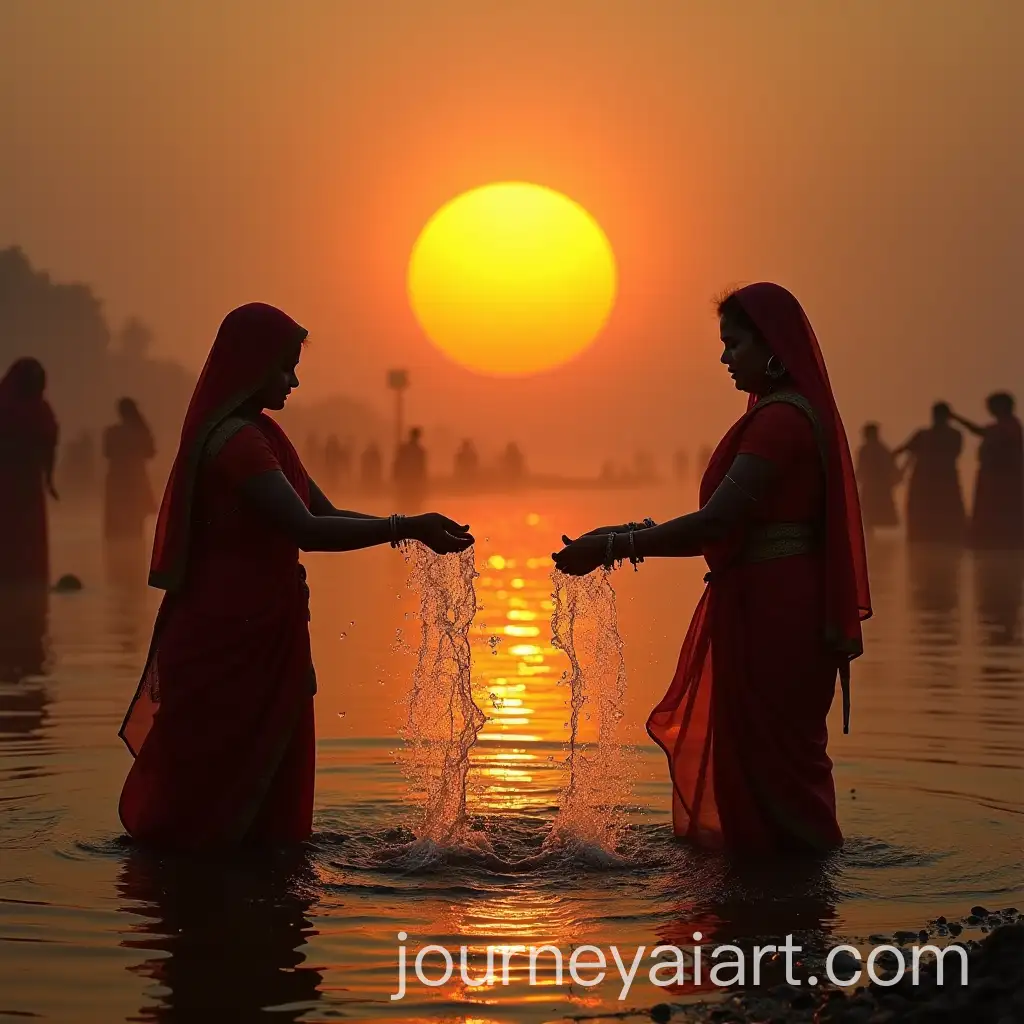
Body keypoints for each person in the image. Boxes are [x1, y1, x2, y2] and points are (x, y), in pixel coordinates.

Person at [117, 303, 472, 851]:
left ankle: (244, 897)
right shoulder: (237, 443)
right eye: (285, 367)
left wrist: (410, 526)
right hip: (227, 635)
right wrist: (404, 526)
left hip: (261, 629)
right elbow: (304, 529)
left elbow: (324, 513)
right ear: (253, 367)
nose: (295, 379)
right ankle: (210, 909)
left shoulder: (261, 434)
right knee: (213, 794)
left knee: (256, 790)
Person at [554, 283, 870, 855]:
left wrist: (612, 549)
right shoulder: (787, 417)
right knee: (765, 759)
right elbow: (727, 523)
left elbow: (714, 525)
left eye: (734, 343)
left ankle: (791, 899)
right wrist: (621, 535)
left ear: (770, 347)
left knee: (771, 760)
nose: (725, 358)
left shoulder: (780, 424)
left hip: (775, 616)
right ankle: (784, 904)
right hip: (767, 601)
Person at [0, 358, 59, 588]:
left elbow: (48, 444)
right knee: (25, 533)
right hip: (24, 480)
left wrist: (49, 477)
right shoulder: (39, 408)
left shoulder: (7, 404)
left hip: (15, 481)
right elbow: (49, 445)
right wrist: (49, 478)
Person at [950, 393, 1024, 550]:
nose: (989, 410)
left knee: (999, 512)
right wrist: (956, 418)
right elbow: (979, 431)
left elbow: (998, 443)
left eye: (991, 406)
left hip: (1003, 478)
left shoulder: (1010, 426)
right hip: (993, 477)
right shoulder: (1002, 426)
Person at [894, 403, 966, 544]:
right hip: (941, 479)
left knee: (927, 514)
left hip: (929, 480)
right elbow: (905, 451)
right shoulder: (952, 435)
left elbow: (902, 451)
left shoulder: (925, 434)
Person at [103, 398, 157, 542]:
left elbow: (107, 453)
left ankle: (119, 558)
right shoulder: (141, 431)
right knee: (135, 522)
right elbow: (151, 453)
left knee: (118, 522)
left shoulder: (112, 432)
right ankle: (135, 557)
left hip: (118, 479)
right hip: (136, 479)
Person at [855, 423, 900, 534]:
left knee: (871, 518)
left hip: (873, 488)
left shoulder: (866, 450)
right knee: (872, 518)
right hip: (879, 488)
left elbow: (861, 470)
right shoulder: (883, 450)